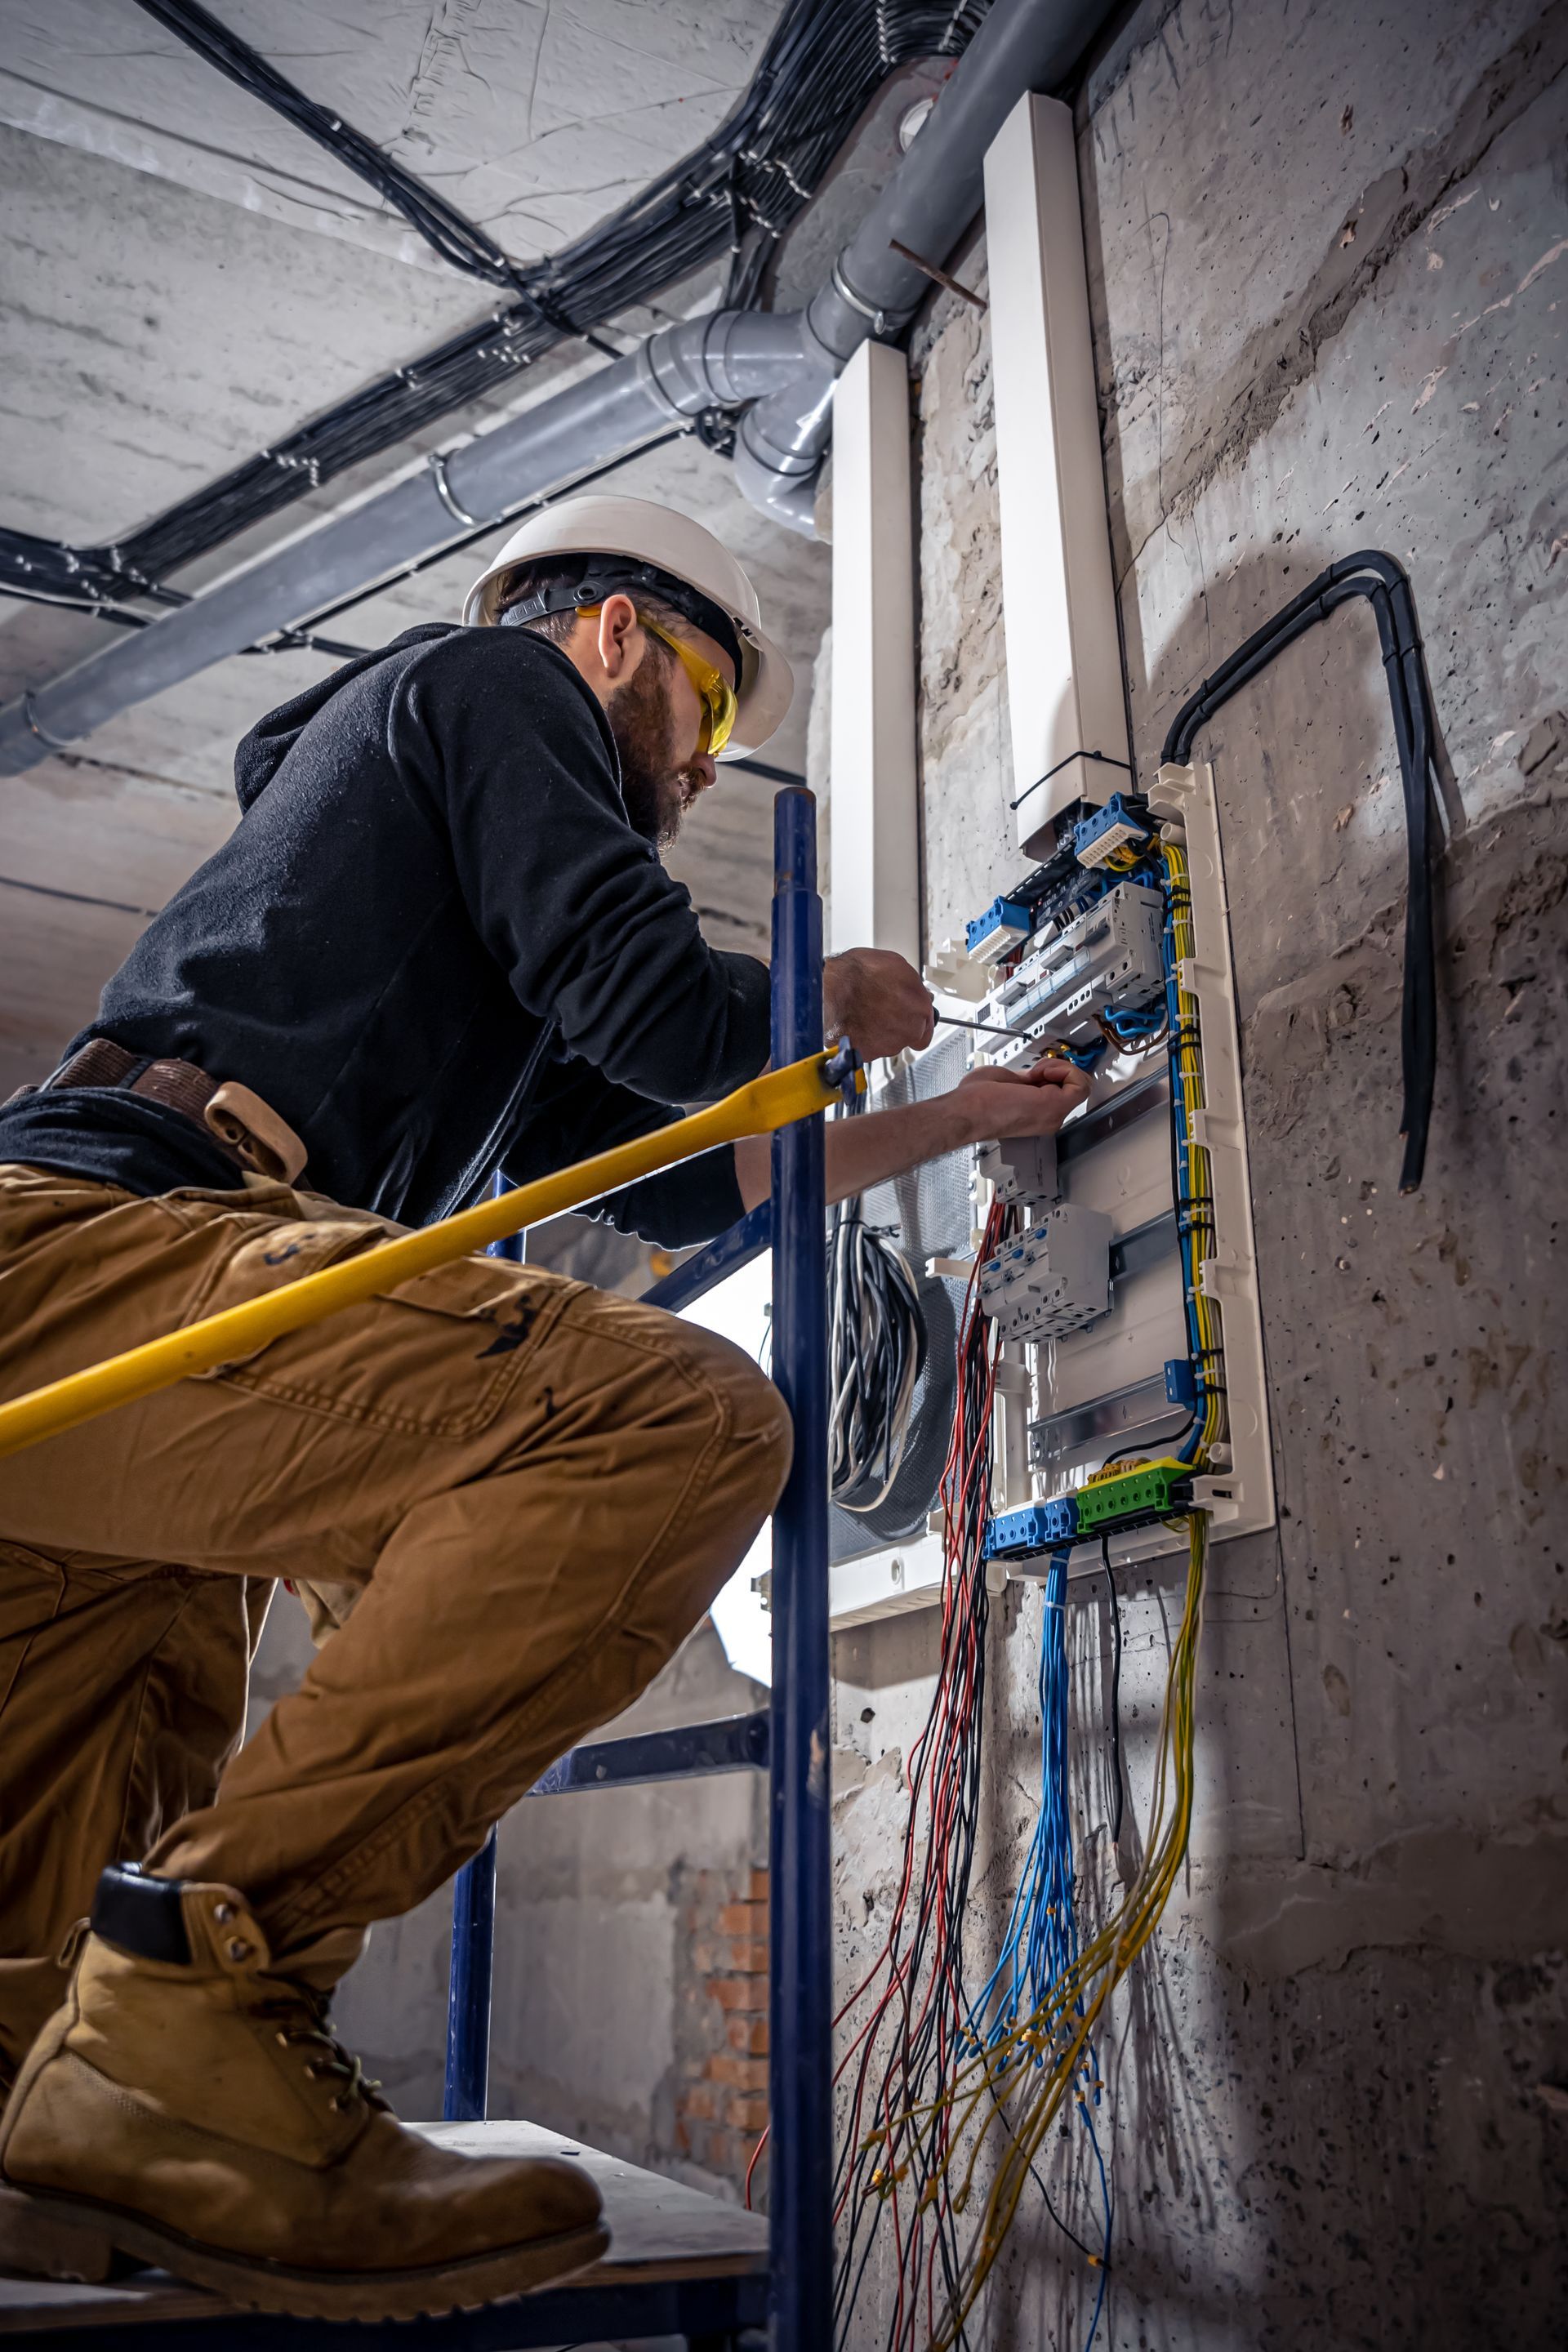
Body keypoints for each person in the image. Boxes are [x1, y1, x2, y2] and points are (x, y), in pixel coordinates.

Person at [0, 495, 1089, 2318]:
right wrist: (822, 1000)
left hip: (96, 1362)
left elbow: (696, 1183)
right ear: (611, 638)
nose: (695, 768)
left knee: (34, 1942)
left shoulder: (463, 958)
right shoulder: (493, 682)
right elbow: (661, 1003)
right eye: (709, 716)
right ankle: (197, 1998)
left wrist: (958, 1123)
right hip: (121, 1238)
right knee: (671, 1427)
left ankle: (95, 2130)